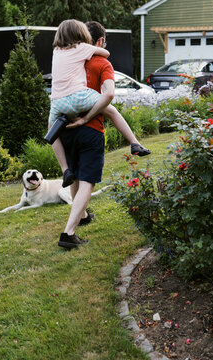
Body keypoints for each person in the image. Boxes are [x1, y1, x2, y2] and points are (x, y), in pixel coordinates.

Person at [48, 19, 150, 190]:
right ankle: (134, 142)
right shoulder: (83, 49)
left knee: (52, 131)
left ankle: (65, 170)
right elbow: (106, 54)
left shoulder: (56, 51)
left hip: (57, 102)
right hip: (78, 98)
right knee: (111, 109)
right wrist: (87, 117)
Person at [57, 20, 124, 249]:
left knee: (74, 174)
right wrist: (87, 117)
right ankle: (68, 233)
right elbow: (108, 94)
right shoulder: (101, 62)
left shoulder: (67, 56)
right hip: (91, 128)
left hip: (65, 126)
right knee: (88, 180)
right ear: (100, 41)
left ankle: (82, 214)